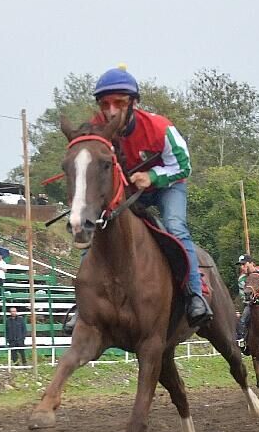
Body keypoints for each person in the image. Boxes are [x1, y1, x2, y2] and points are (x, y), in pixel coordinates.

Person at [87, 65, 210, 326]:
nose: (111, 111)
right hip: (131, 190)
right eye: (105, 104)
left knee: (176, 227)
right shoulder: (96, 129)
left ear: (133, 103)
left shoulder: (159, 128)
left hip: (168, 187)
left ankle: (195, 295)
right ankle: (83, 304)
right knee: (98, 225)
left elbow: (184, 166)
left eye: (119, 103)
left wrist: (152, 177)